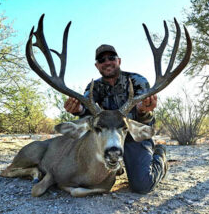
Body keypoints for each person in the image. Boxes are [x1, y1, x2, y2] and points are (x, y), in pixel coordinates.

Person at [64, 44, 168, 194]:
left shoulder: (137, 81)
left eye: (111, 58)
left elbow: (144, 121)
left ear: (119, 61)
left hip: (133, 136)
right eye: (101, 60)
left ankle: (160, 153)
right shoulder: (94, 88)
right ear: (97, 65)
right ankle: (115, 167)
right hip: (106, 138)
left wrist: (143, 110)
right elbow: (88, 115)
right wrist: (78, 109)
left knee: (142, 185)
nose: (107, 62)